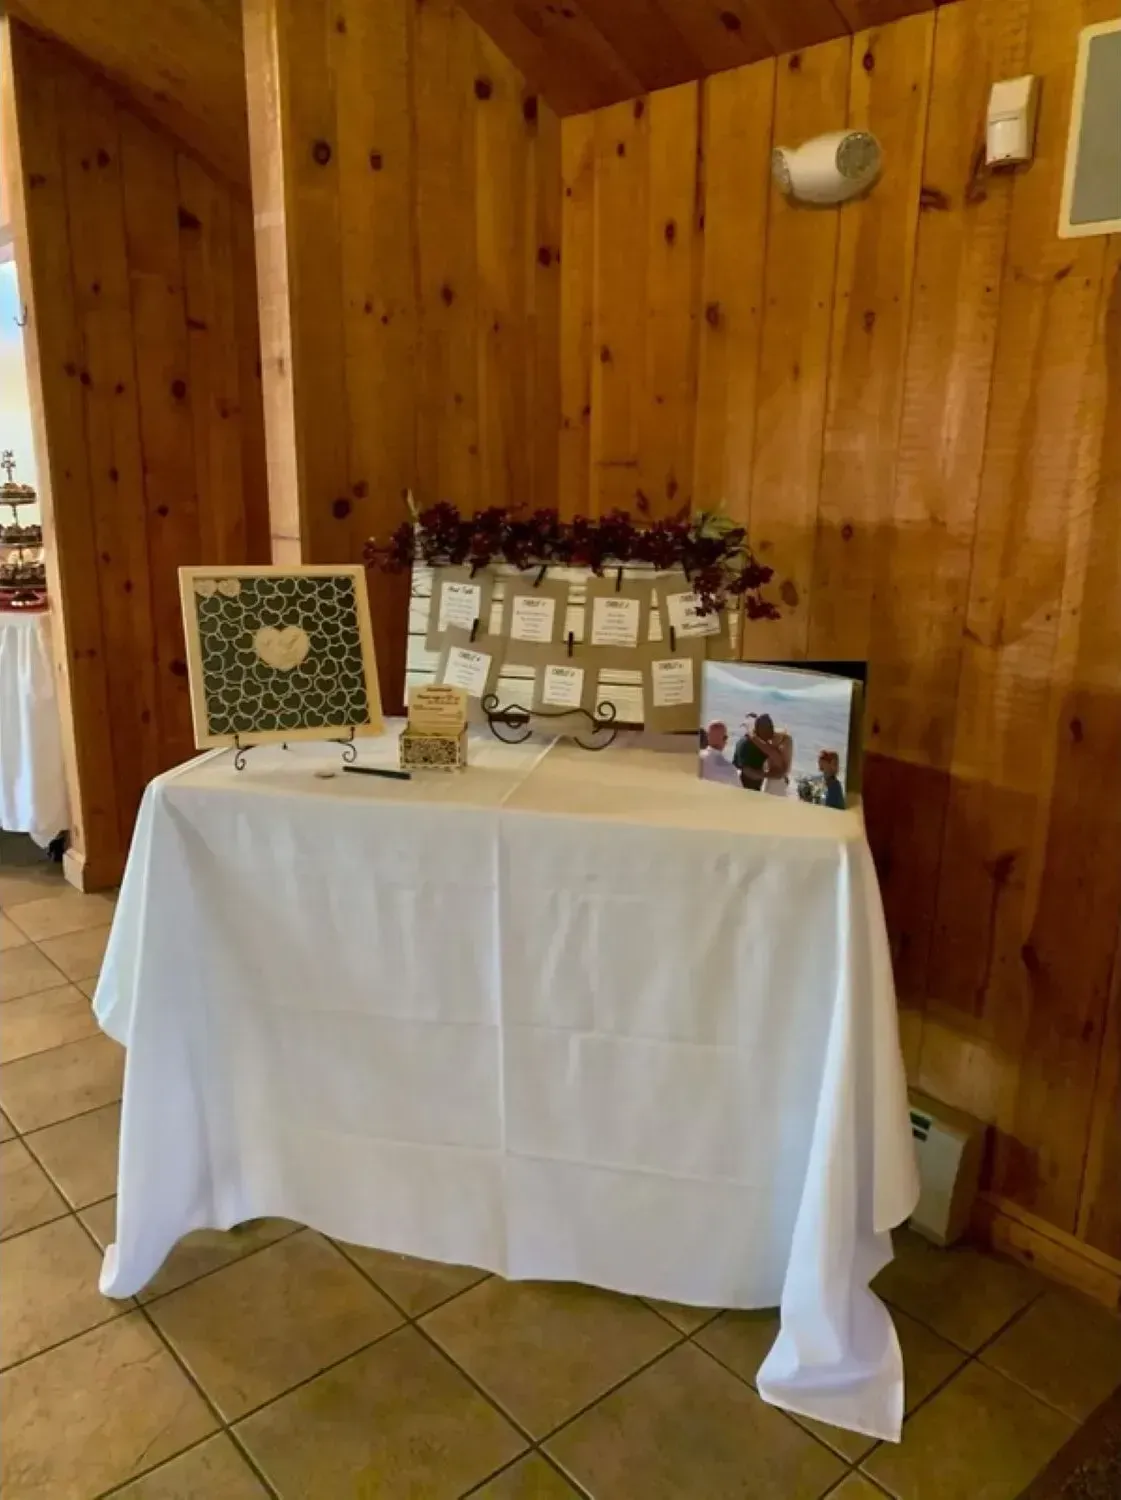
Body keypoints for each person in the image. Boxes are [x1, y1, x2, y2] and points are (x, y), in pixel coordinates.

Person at [742, 713, 792, 797]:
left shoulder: (781, 739)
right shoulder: (773, 737)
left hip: (777, 782)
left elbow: (779, 766)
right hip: (773, 780)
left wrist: (757, 774)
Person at [698, 721, 741, 785]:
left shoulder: (692, 760)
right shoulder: (730, 769)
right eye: (726, 737)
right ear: (724, 739)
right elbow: (739, 792)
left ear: (707, 737)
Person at [733, 717, 768, 791]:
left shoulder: (741, 742)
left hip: (745, 784)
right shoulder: (748, 743)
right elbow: (747, 771)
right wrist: (769, 776)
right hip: (749, 786)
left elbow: (736, 765)